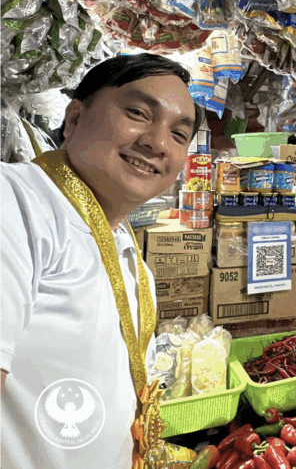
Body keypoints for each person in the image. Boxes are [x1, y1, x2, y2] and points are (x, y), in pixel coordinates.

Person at [1, 54, 203, 468]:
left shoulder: (125, 250)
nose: (157, 143)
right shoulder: (17, 202)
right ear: (75, 116)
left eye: (179, 135)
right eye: (137, 113)